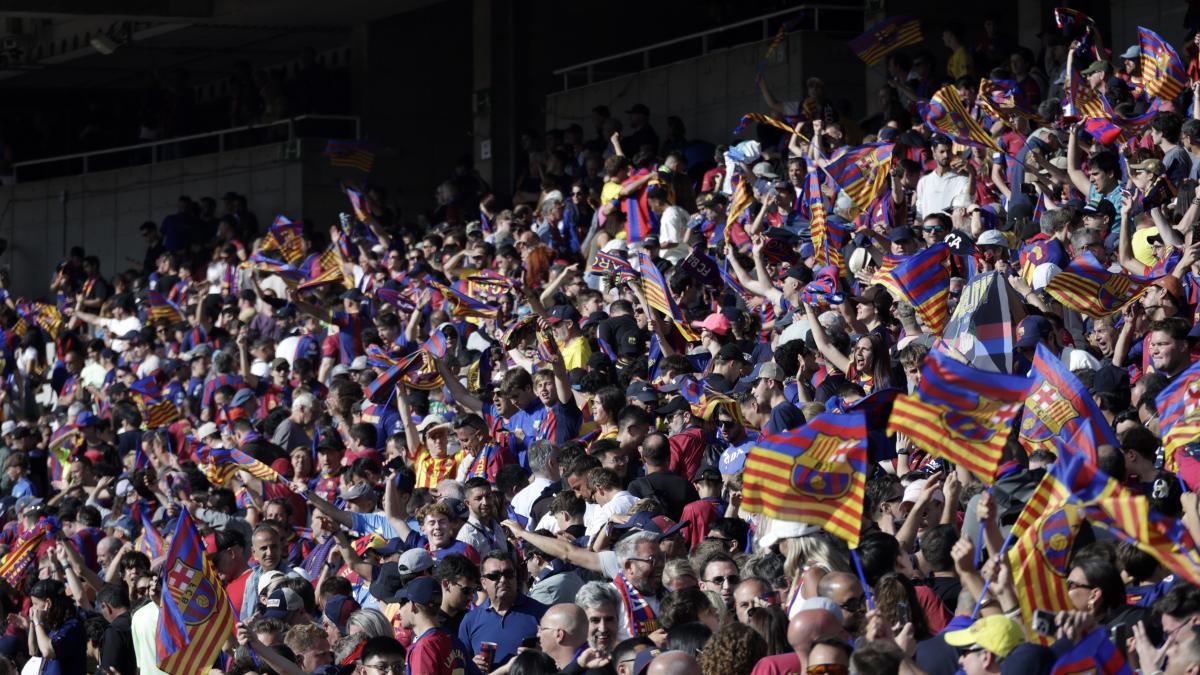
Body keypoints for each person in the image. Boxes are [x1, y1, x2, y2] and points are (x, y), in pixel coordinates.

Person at [458, 551, 549, 669]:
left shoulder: (542, 613)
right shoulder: (471, 620)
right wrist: (472, 666)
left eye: (508, 574)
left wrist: (543, 655)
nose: (503, 580)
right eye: (494, 576)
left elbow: (560, 658)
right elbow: (460, 665)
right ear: (483, 583)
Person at [396, 577, 478, 675]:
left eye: (402, 604)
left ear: (413, 606)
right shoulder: (453, 640)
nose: (398, 611)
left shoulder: (424, 648)